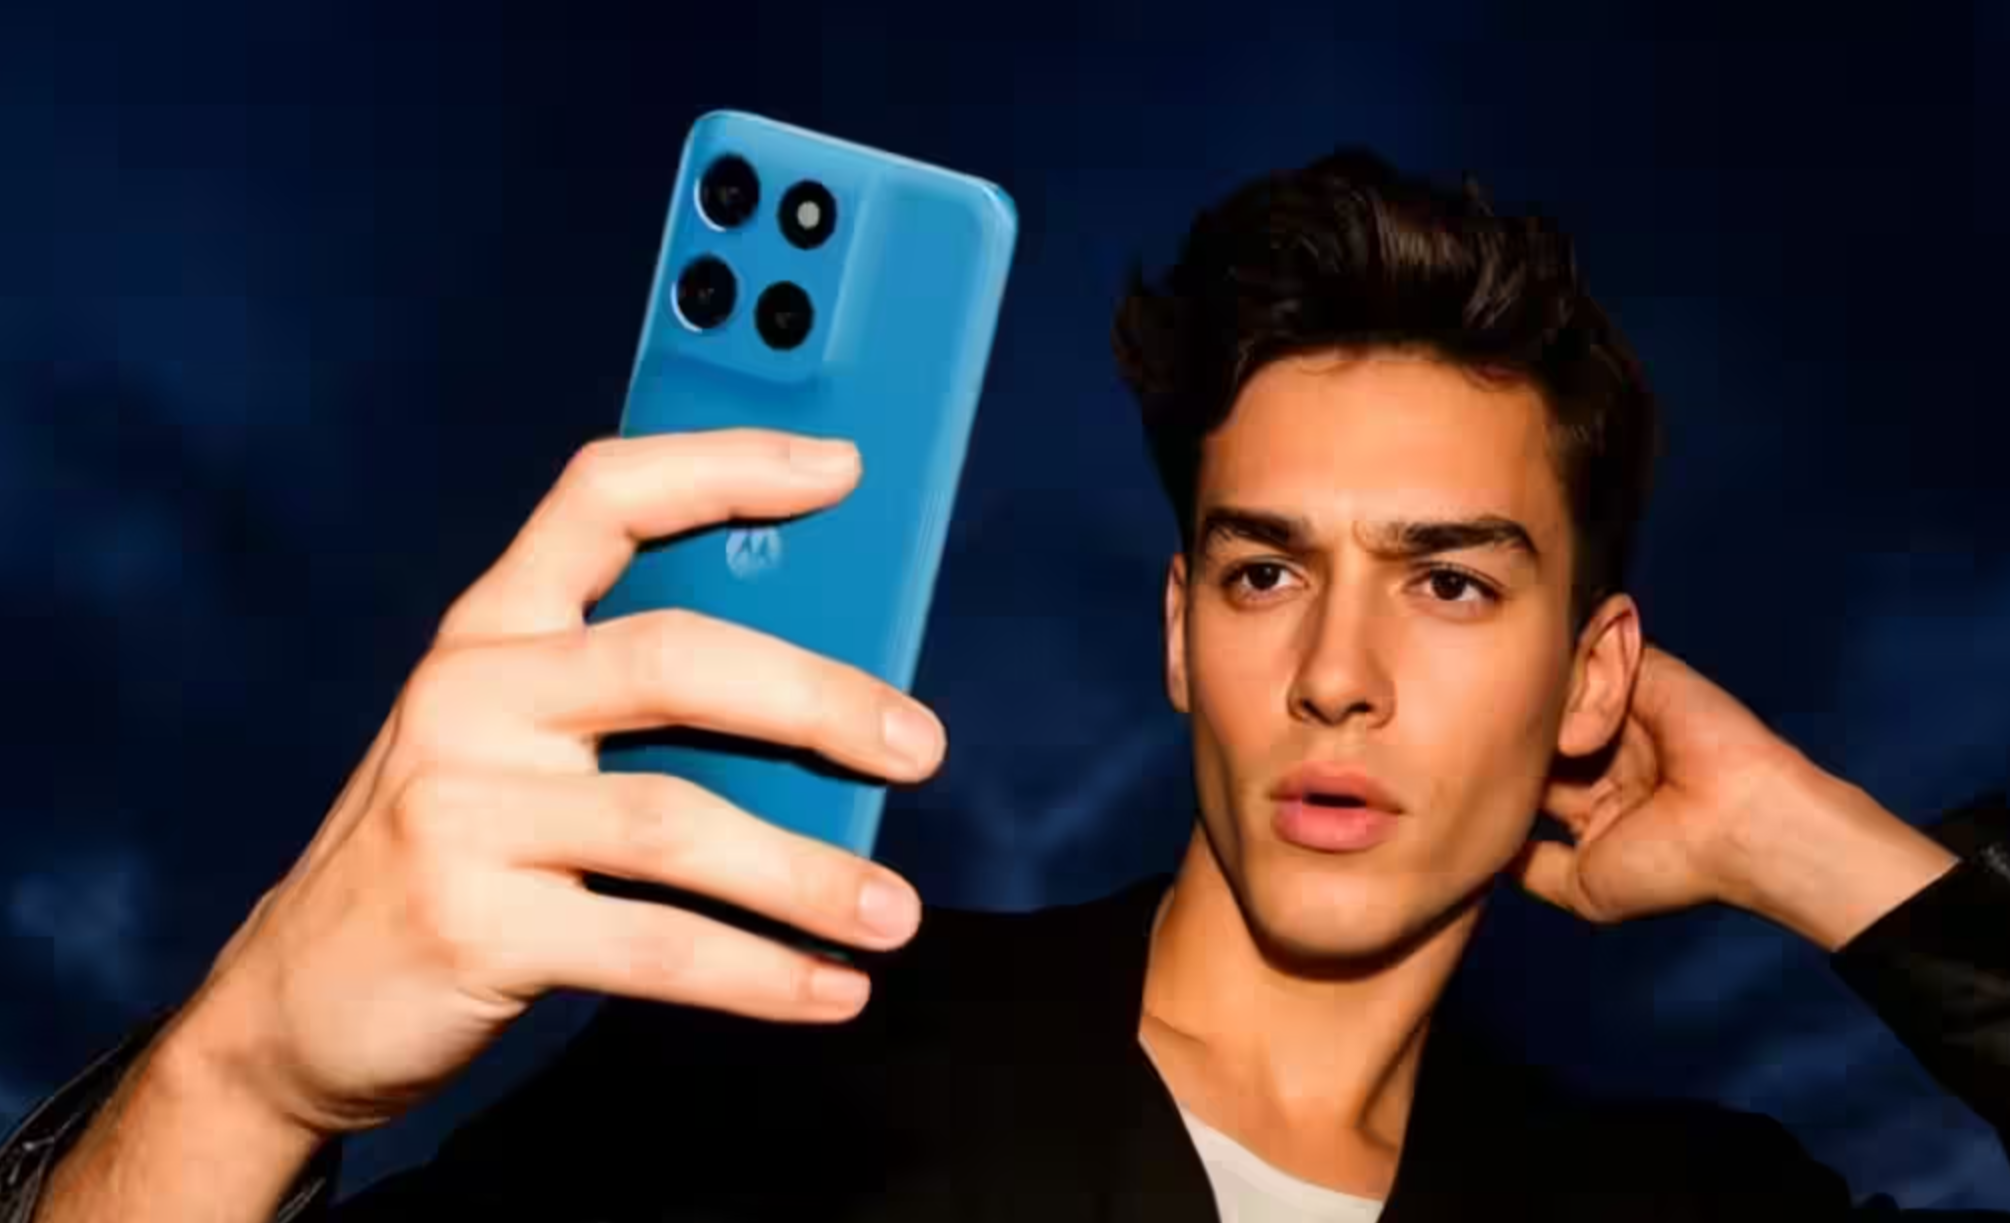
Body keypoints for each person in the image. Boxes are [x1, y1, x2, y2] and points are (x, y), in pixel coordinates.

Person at [7, 149, 2007, 1223]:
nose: (1335, 674)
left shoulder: (1681, 1205)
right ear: (1180, 628)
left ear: (1594, 676)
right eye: (1266, 570)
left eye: (1450, 582)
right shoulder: (789, 1087)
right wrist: (244, 1073)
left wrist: (1817, 846)